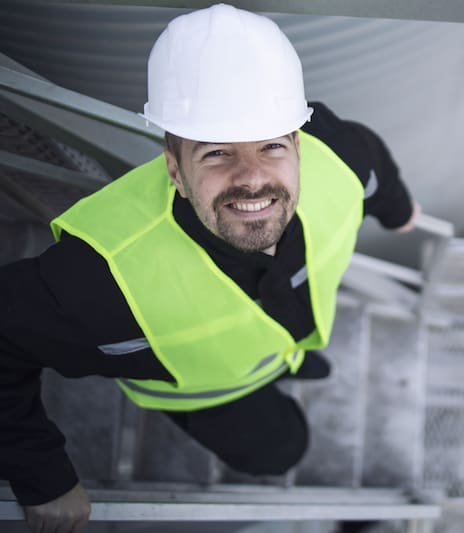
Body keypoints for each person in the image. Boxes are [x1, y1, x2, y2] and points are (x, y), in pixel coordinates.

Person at [0, 5, 418, 532]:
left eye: (271, 145)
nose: (252, 180)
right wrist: (44, 476)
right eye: (218, 152)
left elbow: (374, 167)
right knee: (281, 450)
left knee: (301, 351)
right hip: (207, 392)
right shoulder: (98, 282)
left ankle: (288, 359)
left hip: (284, 336)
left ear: (298, 145)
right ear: (174, 170)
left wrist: (400, 211)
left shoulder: (337, 152)